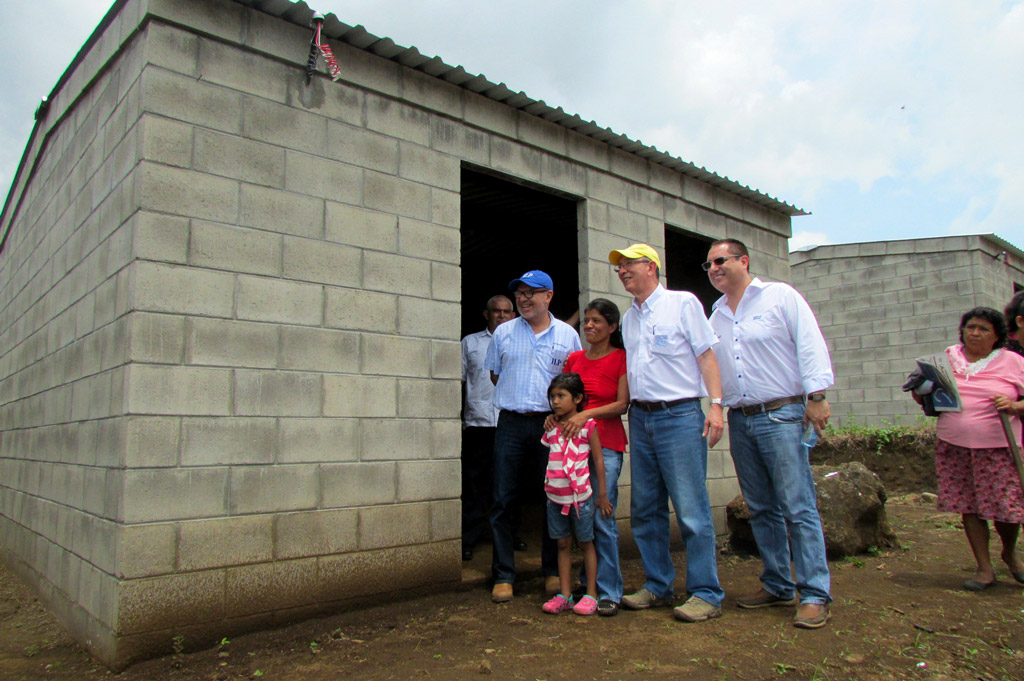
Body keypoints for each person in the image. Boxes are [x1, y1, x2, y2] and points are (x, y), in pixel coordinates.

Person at [704, 238, 834, 629]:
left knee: (797, 505)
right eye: (708, 264)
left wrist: (817, 396)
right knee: (760, 507)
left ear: (744, 260)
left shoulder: (780, 296)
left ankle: (813, 592)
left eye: (720, 260)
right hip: (741, 419)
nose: (713, 268)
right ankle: (777, 583)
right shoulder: (715, 316)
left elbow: (809, 345)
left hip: (782, 413)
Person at [609, 243, 726, 623]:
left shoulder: (683, 304)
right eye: (619, 267)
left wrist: (716, 405)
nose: (622, 271)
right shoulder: (629, 319)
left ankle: (706, 592)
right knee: (645, 508)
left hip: (679, 416)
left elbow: (706, 355)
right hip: (641, 419)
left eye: (629, 264)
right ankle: (658, 585)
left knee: (691, 509)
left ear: (651, 267)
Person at [485, 270, 582, 603]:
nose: (524, 299)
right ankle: (503, 575)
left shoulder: (567, 336)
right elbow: (496, 374)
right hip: (511, 423)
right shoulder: (504, 333)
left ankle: (552, 572)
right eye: (520, 294)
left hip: (551, 426)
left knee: (553, 499)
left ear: (549, 296)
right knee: (502, 498)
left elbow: (572, 382)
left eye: (532, 293)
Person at [912, 307, 1024, 590]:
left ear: (997, 335)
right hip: (954, 445)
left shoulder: (1013, 361)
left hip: (999, 446)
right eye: (970, 327)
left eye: (983, 329)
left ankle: (1009, 554)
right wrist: (921, 389)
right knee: (970, 506)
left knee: (1006, 507)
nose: (974, 333)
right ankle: (984, 568)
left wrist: (1014, 405)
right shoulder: (947, 358)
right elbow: (924, 394)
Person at [544, 298, 630, 616]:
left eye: (596, 321)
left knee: (601, 518)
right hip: (570, 449)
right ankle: (585, 586)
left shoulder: (621, 358)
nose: (589, 326)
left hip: (605, 445)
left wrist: (586, 416)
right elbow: (564, 399)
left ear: (612, 327)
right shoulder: (575, 358)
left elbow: (622, 404)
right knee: (576, 520)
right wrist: (554, 418)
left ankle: (609, 591)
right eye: (586, 322)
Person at [540, 373, 613, 615]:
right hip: (555, 499)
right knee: (562, 544)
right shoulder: (550, 427)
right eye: (553, 397)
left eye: (561, 396)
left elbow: (599, 461)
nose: (556, 402)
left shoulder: (587, 427)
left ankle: (591, 594)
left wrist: (602, 495)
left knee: (585, 544)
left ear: (578, 398)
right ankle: (565, 594)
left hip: (580, 499)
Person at [461, 295, 515, 561]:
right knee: (476, 484)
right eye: (497, 311)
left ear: (513, 315)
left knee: (508, 483)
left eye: (507, 311)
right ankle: (469, 539)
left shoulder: (519, 341)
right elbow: (458, 382)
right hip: (479, 424)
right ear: (486, 314)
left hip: (509, 422)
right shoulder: (470, 343)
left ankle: (509, 537)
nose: (502, 316)